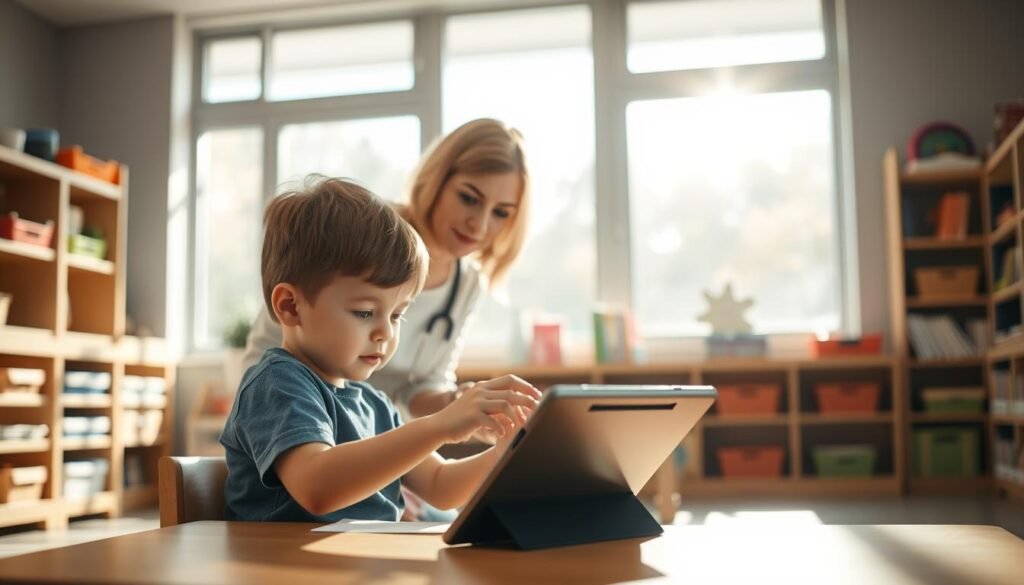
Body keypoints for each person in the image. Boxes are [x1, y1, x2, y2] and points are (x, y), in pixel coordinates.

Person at [220, 177, 541, 522]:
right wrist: (440, 426)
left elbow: (441, 486)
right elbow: (317, 487)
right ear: (290, 306)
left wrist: (509, 452)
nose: (385, 331)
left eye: (398, 314)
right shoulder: (276, 383)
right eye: (364, 313)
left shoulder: (374, 404)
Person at [242, 118, 530, 422]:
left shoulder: (468, 284)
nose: (480, 224)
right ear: (436, 180)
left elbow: (421, 388)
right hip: (304, 418)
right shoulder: (363, 236)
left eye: (500, 213)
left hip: (376, 434)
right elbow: (270, 347)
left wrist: (457, 404)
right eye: (469, 198)